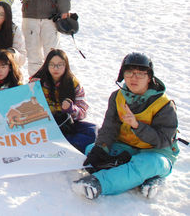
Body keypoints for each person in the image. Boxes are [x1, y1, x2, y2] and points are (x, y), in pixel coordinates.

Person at [72, 53, 178, 200]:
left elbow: (164, 140)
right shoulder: (117, 97)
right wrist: (100, 148)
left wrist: (137, 125)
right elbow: (109, 128)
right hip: (127, 147)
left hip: (156, 153)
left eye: (140, 73)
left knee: (149, 164)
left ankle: (99, 183)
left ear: (149, 77)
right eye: (129, 72)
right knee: (91, 149)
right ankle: (142, 177)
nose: (134, 78)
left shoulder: (164, 104)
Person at [30, 49, 96, 153]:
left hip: (65, 125)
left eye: (60, 65)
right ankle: (63, 145)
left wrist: (71, 108)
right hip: (43, 126)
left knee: (93, 130)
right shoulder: (37, 82)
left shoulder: (73, 83)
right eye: (52, 65)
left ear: (66, 66)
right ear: (47, 65)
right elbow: (26, 109)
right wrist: (31, 90)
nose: (55, 68)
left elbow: (83, 112)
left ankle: (59, 145)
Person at [0, 2, 27, 70]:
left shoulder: (14, 30)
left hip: (7, 68)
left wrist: (11, 53)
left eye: (1, 15)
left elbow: (22, 59)